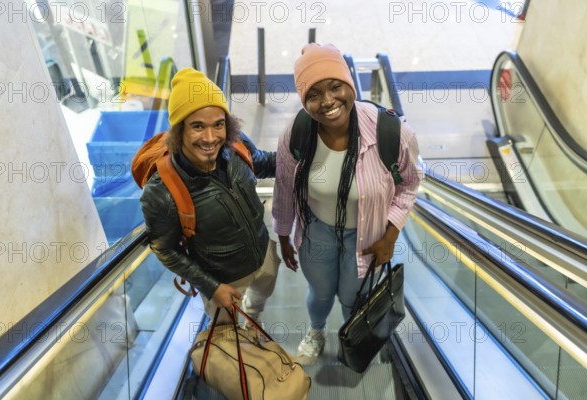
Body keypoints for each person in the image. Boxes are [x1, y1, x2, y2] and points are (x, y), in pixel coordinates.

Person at [272, 43, 423, 365]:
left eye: (335, 86)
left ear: (350, 84)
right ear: (303, 100)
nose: (327, 101)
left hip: (367, 236)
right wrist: (284, 236)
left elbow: (409, 183)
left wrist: (390, 236)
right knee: (321, 292)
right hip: (317, 231)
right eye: (313, 94)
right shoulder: (296, 135)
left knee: (353, 296)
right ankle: (316, 330)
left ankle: (353, 333)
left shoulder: (391, 132)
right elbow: (285, 187)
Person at [140, 68, 279, 324]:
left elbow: (263, 163)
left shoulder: (236, 146)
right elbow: (165, 249)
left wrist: (305, 152)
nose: (210, 138)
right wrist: (212, 287)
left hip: (264, 254)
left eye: (218, 124)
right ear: (179, 131)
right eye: (197, 127)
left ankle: (254, 316)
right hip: (224, 281)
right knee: (227, 339)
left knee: (260, 299)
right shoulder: (162, 191)